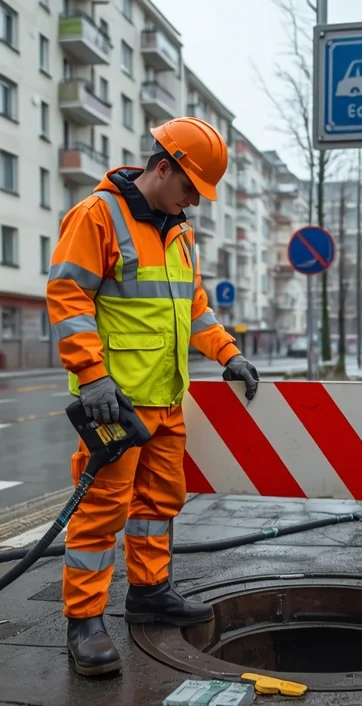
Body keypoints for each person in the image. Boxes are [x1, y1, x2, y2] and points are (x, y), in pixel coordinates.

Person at [46, 116, 261, 677]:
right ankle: (84, 621)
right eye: (190, 187)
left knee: (159, 505)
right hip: (114, 404)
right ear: (162, 167)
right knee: (100, 514)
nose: (194, 201)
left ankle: (149, 591)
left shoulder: (179, 230)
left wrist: (227, 353)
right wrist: (91, 376)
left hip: (166, 400)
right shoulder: (98, 215)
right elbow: (68, 297)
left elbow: (194, 308)